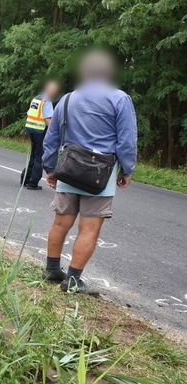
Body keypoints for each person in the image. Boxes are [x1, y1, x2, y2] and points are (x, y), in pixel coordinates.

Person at [41, 50, 137, 294]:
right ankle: (73, 281)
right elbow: (126, 141)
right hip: (100, 174)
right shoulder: (120, 98)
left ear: (84, 73)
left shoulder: (68, 99)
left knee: (61, 222)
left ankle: (52, 269)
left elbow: (52, 137)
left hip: (69, 168)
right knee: (90, 228)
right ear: (108, 73)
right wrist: (127, 169)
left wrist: (50, 168)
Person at [22, 80, 59, 190]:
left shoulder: (36, 98)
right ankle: (32, 183)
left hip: (31, 129)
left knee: (33, 155)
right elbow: (47, 119)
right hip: (40, 130)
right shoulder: (46, 101)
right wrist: (55, 130)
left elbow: (29, 113)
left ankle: (25, 179)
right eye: (54, 89)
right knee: (39, 157)